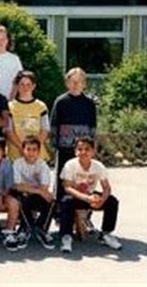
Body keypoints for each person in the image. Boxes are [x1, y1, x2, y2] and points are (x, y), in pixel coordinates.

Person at [59, 136, 122, 253]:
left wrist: (102, 200)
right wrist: (86, 198)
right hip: (76, 195)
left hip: (90, 195)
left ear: (93, 151)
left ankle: (105, 233)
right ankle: (66, 236)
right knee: (65, 201)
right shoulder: (70, 165)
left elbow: (107, 188)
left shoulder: (98, 166)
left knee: (112, 201)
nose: (83, 152)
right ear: (75, 151)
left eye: (87, 149)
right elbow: (67, 187)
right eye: (80, 149)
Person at [50, 67, 96, 202]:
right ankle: (60, 208)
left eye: (79, 82)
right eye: (72, 82)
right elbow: (54, 125)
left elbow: (93, 126)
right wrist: (54, 145)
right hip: (65, 147)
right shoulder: (61, 102)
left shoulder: (89, 104)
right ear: (67, 83)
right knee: (63, 177)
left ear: (84, 84)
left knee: (83, 177)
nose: (75, 85)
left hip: (84, 149)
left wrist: (92, 147)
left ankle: (83, 207)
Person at [11, 136, 55, 250]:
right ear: (23, 150)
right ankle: (25, 229)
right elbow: (17, 186)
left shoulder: (42, 165)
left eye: (34, 149)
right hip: (23, 195)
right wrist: (37, 189)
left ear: (39, 151)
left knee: (51, 200)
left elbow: (45, 187)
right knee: (19, 198)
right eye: (28, 149)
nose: (31, 153)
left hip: (35, 195)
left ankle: (42, 229)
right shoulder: (17, 163)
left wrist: (33, 189)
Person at [7, 70, 50, 162]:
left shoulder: (41, 106)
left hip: (37, 155)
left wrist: (33, 149)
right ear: (17, 86)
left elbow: (45, 130)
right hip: (16, 154)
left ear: (33, 86)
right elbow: (9, 130)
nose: (25, 87)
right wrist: (22, 148)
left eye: (28, 84)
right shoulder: (10, 107)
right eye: (22, 84)